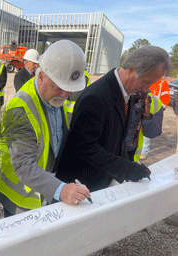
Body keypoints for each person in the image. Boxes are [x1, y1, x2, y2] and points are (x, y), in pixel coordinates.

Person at [0, 40, 91, 217]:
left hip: (42, 184)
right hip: (20, 193)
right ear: (40, 77)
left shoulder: (52, 95)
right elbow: (23, 164)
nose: (65, 95)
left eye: (68, 89)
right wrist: (61, 190)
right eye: (59, 88)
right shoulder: (20, 108)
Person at [54, 45, 171, 192]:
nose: (146, 89)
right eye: (146, 82)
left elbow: (116, 139)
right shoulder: (96, 97)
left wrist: (129, 165)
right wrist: (126, 168)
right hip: (80, 187)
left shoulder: (128, 94)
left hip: (100, 182)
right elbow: (83, 147)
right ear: (132, 69)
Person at [126, 92, 163, 161]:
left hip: (133, 157)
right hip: (111, 156)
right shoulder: (116, 93)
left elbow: (153, 133)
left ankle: (144, 152)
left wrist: (147, 116)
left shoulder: (154, 101)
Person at [141, 77, 170, 160]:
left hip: (153, 110)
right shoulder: (144, 78)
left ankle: (144, 151)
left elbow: (166, 97)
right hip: (142, 107)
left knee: (147, 132)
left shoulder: (162, 82)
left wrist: (160, 109)